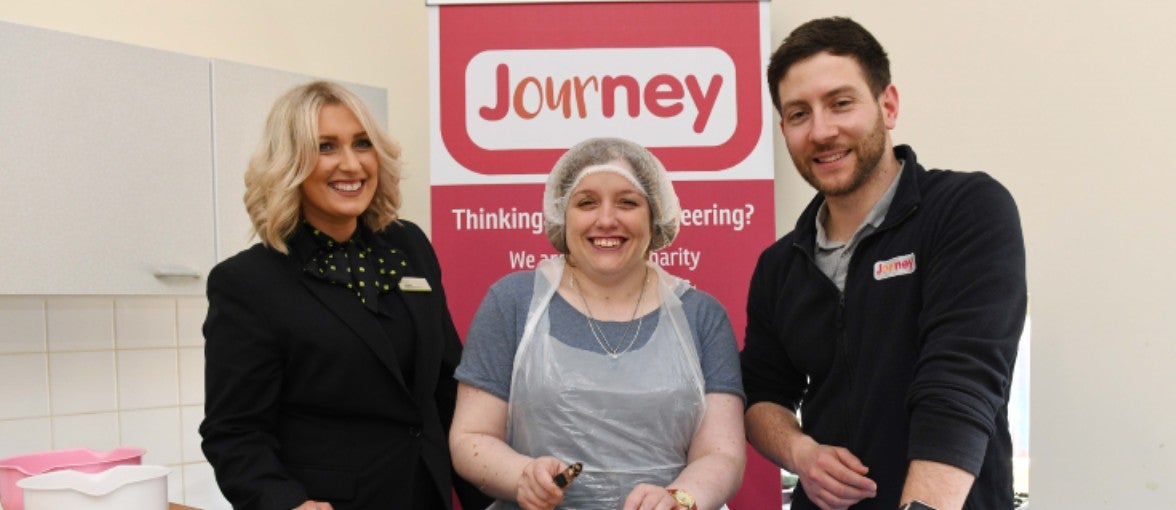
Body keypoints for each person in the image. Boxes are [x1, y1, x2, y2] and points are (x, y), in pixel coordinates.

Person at [740, 17, 1027, 510]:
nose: (822, 131)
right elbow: (761, 396)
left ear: (887, 105)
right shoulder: (779, 265)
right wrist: (801, 451)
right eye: (798, 114)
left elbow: (962, 382)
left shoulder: (966, 209)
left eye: (840, 103)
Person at [199, 81, 492, 510]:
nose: (351, 164)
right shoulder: (248, 282)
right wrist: (285, 504)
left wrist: (487, 501)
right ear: (290, 163)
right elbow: (235, 432)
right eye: (326, 147)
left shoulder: (408, 246)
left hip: (427, 496)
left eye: (362, 144)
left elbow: (445, 391)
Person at [449, 137, 746, 510]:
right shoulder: (512, 303)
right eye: (586, 202)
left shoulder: (701, 316)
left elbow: (722, 454)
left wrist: (679, 500)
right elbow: (471, 437)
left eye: (627, 202)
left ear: (655, 215)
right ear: (563, 214)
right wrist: (522, 475)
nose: (606, 219)